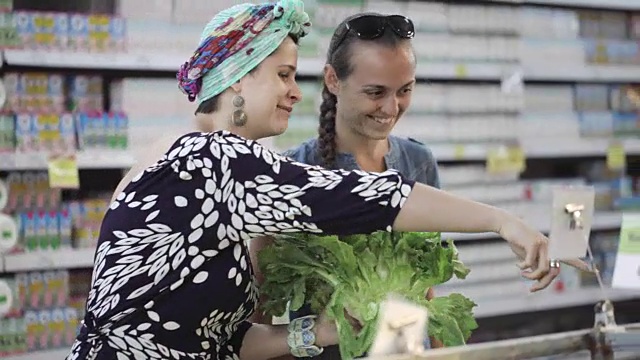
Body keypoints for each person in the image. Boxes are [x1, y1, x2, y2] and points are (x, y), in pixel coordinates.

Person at [66, 1, 590, 360]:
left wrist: (332, 329)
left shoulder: (185, 160)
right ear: (238, 76)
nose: (296, 91)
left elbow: (223, 341)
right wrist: (503, 222)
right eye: (284, 74)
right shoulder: (212, 159)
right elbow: (360, 199)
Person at [249, 12, 444, 357]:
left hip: (408, 349)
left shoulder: (419, 160)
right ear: (333, 80)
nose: (391, 107)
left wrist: (445, 353)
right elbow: (262, 299)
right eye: (375, 92)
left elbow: (425, 280)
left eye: (405, 90)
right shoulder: (291, 172)